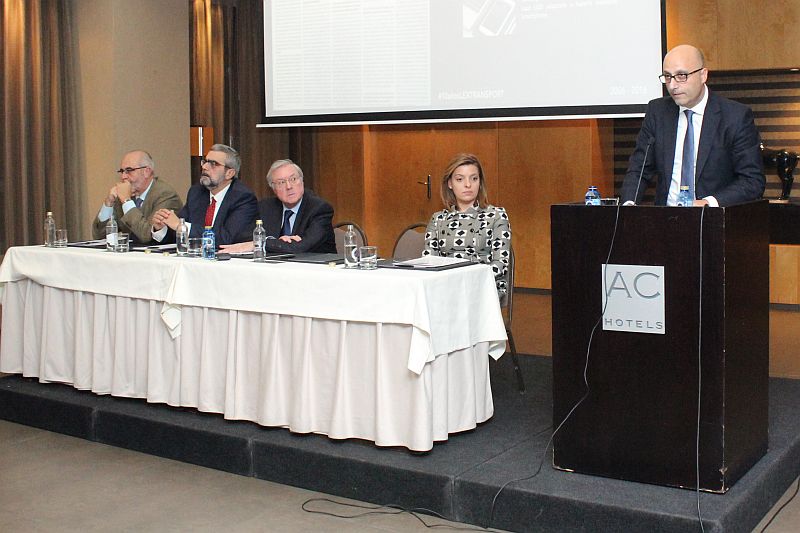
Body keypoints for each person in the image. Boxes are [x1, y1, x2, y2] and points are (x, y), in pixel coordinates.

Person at [621, 44, 765, 207]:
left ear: (703, 75)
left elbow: (752, 181)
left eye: (681, 76)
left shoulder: (734, 117)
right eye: (667, 77)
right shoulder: (658, 112)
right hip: (664, 221)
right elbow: (639, 168)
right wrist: (628, 205)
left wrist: (707, 203)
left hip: (713, 220)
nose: (673, 85)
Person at [422, 153, 511, 297]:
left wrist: (466, 282)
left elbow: (500, 264)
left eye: (474, 178)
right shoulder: (438, 219)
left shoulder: (496, 215)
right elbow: (429, 262)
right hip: (446, 287)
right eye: (460, 179)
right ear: (450, 184)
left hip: (482, 288)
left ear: (480, 182)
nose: (468, 184)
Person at [220, 159, 336, 254]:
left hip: (316, 272)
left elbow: (301, 247)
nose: (289, 186)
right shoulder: (265, 207)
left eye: (293, 179)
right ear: (273, 189)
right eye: (281, 182)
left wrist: (264, 242)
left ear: (302, 181)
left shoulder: (319, 209)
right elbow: (242, 236)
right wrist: (275, 242)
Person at [151, 144, 257, 246]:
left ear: (229, 173)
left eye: (213, 164)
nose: (205, 167)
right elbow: (179, 233)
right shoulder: (196, 193)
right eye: (205, 162)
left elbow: (226, 238)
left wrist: (180, 226)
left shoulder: (243, 198)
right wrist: (161, 228)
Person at [91, 150, 182, 244]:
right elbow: (100, 236)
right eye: (122, 171)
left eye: (129, 171)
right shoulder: (124, 195)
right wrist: (109, 203)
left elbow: (147, 236)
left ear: (146, 171)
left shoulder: (165, 194)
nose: (123, 177)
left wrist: (126, 201)